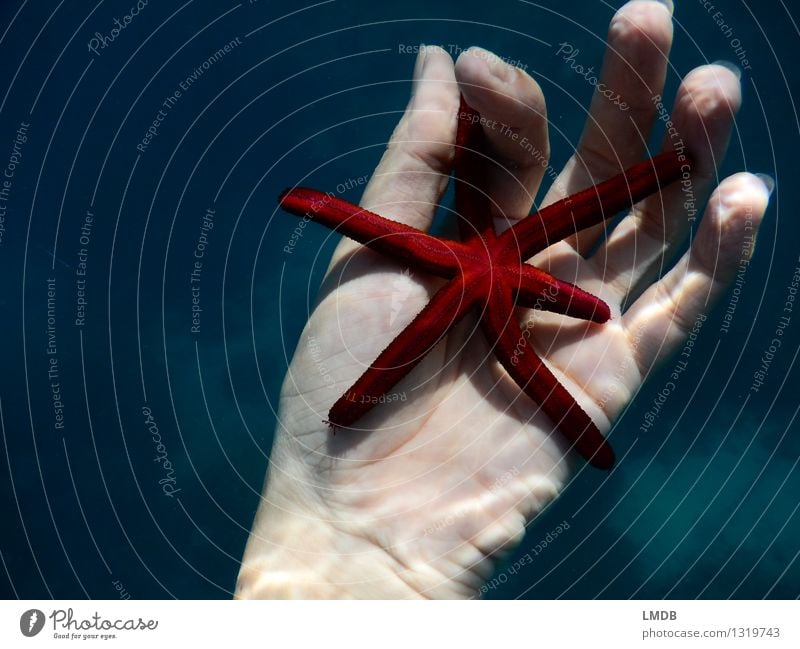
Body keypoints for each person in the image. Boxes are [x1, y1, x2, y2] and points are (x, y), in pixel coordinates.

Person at [236, 0, 772, 598]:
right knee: (538, 335)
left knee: (548, 299)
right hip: (491, 286)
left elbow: (552, 239)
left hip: (489, 283)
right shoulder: (486, 269)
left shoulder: (477, 269)